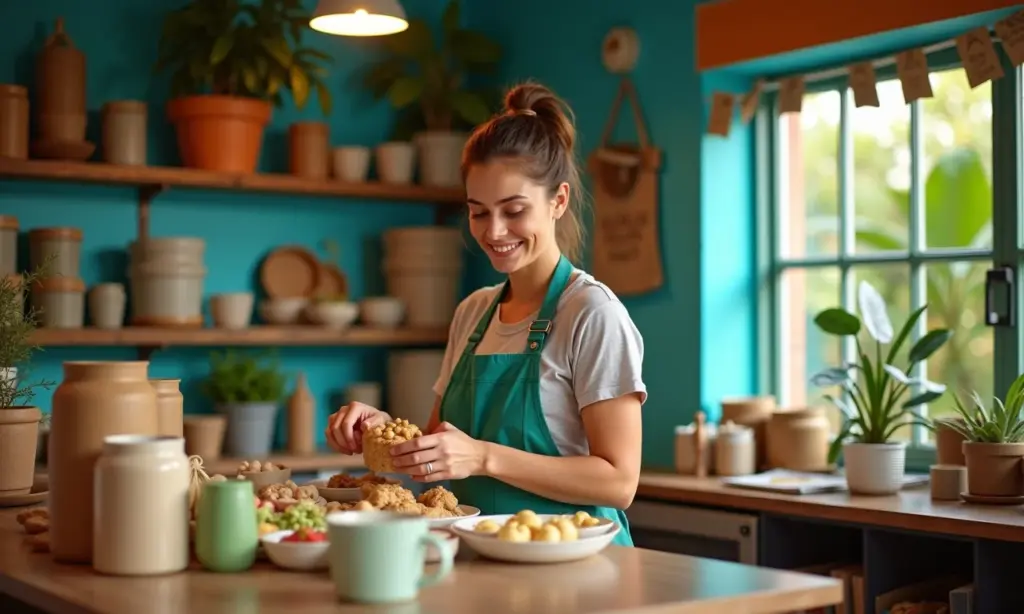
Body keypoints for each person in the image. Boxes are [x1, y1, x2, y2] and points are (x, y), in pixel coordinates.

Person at [325, 82, 646, 547]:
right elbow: (442, 447)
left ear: (558, 200)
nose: (494, 232)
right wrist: (382, 431)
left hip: (578, 569)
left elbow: (619, 482)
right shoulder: (473, 312)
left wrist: (483, 458)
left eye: (514, 211)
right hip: (482, 559)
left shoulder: (592, 313)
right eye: (478, 213)